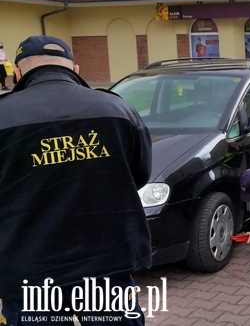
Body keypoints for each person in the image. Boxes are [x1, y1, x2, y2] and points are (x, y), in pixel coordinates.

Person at [0, 36, 152, 325]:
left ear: (17, 74)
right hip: (107, 263)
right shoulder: (118, 109)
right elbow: (139, 175)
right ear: (76, 68)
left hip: (28, 270)